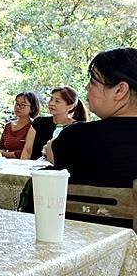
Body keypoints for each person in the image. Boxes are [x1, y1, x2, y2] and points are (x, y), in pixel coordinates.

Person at [46, 48, 137, 187]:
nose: (87, 87)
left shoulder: (77, 136)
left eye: (93, 81)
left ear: (119, 90)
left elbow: (50, 151)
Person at [20, 86, 88, 160]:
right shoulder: (39, 122)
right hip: (34, 168)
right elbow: (27, 150)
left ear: (70, 107)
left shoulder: (78, 127)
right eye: (51, 99)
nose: (51, 103)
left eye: (57, 101)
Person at [0, 91, 40, 158]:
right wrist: (1, 153)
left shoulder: (34, 126)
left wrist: (3, 154)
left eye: (22, 105)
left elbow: (26, 152)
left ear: (32, 109)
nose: (17, 107)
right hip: (7, 163)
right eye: (17, 103)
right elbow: (0, 147)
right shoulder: (8, 126)